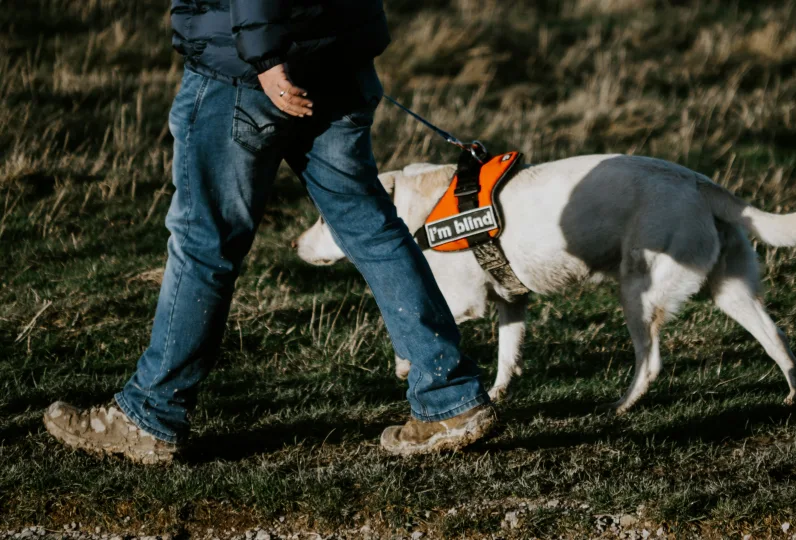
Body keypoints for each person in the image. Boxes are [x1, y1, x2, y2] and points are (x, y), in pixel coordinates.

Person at [42, 0, 496, 464]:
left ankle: (150, 413)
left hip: (245, 72)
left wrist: (267, 60)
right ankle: (448, 399)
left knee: (204, 244)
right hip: (338, 60)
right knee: (373, 231)